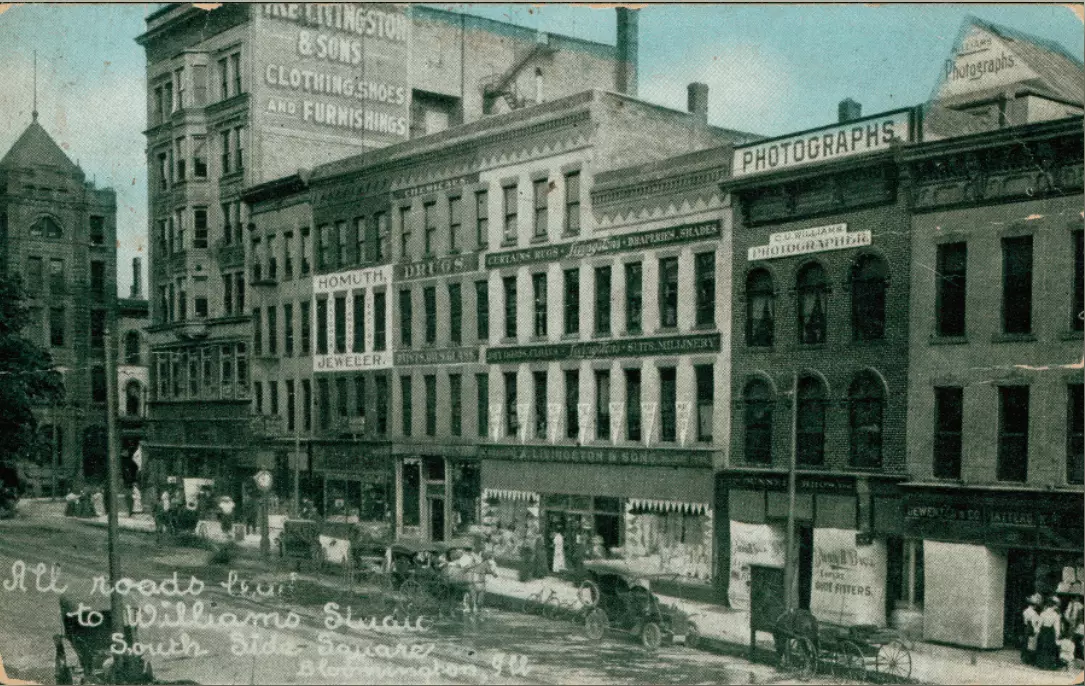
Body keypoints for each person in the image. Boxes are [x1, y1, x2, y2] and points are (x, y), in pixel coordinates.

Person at [1036, 596, 1063, 670]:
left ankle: (1041, 664)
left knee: (1042, 646)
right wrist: (1057, 635)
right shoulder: (1055, 615)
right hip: (1050, 631)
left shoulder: (1043, 613)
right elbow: (1056, 627)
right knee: (1049, 647)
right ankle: (1048, 664)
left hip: (1043, 630)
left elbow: (1039, 624)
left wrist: (1037, 632)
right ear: (1054, 605)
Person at [1022, 593, 1042, 665]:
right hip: (1032, 627)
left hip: (1027, 626)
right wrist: (1036, 630)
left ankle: (1024, 657)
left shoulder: (1025, 611)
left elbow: (1025, 621)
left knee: (1026, 642)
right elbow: (1035, 623)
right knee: (1031, 643)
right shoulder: (1033, 613)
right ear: (1034, 605)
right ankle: (1029, 659)